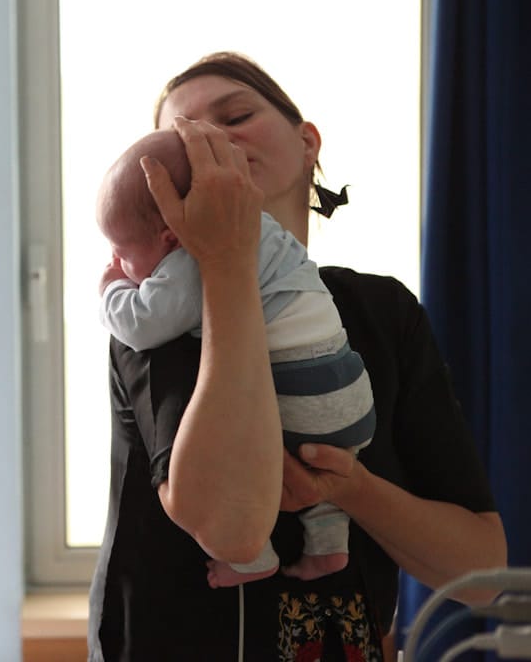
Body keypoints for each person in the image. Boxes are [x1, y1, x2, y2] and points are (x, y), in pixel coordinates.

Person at [87, 52, 507, 661]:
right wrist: (226, 260)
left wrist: (352, 488)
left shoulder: (382, 310)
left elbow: (483, 577)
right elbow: (232, 527)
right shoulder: (157, 320)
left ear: (307, 142)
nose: (214, 145)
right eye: (186, 140)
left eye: (235, 117)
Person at [96, 128, 375, 588]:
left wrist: (111, 289)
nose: (117, 262)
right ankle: (328, 544)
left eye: (122, 252)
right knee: (315, 461)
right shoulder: (268, 233)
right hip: (350, 394)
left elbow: (143, 322)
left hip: (299, 392)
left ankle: (253, 559)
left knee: (246, 454)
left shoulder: (191, 261)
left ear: (171, 236)